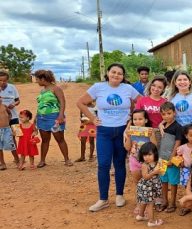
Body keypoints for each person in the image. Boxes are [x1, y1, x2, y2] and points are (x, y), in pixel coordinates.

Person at [77, 63, 142, 212]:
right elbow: (80, 102)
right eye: (113, 72)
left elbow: (142, 101)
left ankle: (120, 195)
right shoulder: (98, 87)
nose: (116, 75)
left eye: (120, 73)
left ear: (123, 76)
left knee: (119, 163)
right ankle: (103, 199)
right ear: (108, 73)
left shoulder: (128, 89)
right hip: (104, 131)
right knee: (104, 164)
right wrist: (92, 118)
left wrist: (132, 118)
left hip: (122, 131)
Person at [33, 70, 72, 168]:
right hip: (42, 118)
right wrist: (35, 117)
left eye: (37, 79)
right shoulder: (42, 90)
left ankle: (67, 159)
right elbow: (41, 105)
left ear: (43, 79)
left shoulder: (56, 89)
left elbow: (62, 102)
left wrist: (61, 115)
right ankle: (42, 161)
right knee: (45, 140)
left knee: (60, 139)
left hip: (54, 118)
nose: (36, 81)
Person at [124, 109, 157, 214]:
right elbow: (127, 148)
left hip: (147, 162)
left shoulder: (149, 131)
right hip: (134, 160)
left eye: (140, 119)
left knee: (148, 183)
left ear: (146, 120)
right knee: (138, 183)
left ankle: (148, 205)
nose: (137, 121)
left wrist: (151, 135)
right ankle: (139, 203)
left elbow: (155, 146)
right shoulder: (130, 132)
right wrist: (128, 136)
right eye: (135, 119)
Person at [157, 102, 184, 214]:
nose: (166, 116)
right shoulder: (163, 126)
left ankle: (172, 203)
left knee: (173, 182)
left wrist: (171, 158)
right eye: (163, 114)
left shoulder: (178, 127)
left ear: (174, 113)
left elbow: (177, 143)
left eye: (169, 113)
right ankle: (164, 201)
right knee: (163, 180)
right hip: (161, 158)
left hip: (171, 160)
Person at [135, 142, 164, 227]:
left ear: (155, 153)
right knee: (150, 203)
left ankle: (140, 215)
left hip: (151, 186)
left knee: (145, 201)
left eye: (149, 154)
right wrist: (154, 172)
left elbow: (161, 172)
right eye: (144, 155)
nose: (147, 157)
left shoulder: (157, 162)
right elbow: (145, 177)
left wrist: (161, 169)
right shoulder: (144, 165)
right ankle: (151, 221)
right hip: (146, 187)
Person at [0, 70, 20, 165]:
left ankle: (17, 159)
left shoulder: (12, 87)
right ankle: (2, 161)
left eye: (4, 81)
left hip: (14, 117)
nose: (2, 82)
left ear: (7, 80)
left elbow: (18, 100)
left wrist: (14, 104)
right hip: (1, 119)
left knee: (14, 136)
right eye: (0, 80)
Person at [0, 97, 15, 170]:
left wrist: (8, 120)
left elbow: (10, 114)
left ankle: (18, 161)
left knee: (11, 145)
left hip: (6, 129)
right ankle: (3, 164)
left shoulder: (4, 106)